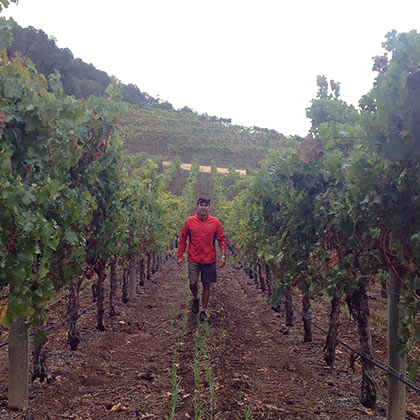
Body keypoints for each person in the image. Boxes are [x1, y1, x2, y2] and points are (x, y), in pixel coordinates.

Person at [177, 197, 226, 321]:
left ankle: (203, 310)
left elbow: (221, 239)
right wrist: (180, 255)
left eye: (206, 205)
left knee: (206, 285)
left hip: (209, 259)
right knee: (193, 283)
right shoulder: (190, 221)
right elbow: (183, 239)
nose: (203, 207)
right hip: (193, 258)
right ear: (197, 206)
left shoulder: (215, 222)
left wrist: (223, 256)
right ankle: (195, 298)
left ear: (209, 207)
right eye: (201, 204)